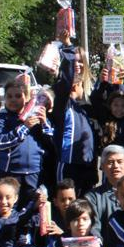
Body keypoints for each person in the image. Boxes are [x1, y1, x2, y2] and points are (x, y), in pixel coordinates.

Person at [0, 78, 53, 206]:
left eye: (18, 96)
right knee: (9, 208)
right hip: (11, 173)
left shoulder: (35, 115)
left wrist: (44, 123)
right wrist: (24, 127)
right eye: (9, 96)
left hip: (34, 173)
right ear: (5, 99)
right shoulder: (1, 118)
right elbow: (0, 142)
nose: (13, 99)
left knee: (32, 208)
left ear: (26, 98)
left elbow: (51, 143)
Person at [50, 41, 98, 194]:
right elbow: (65, 81)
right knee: (67, 205)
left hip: (89, 162)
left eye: (80, 61)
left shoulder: (93, 95)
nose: (77, 65)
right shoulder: (62, 98)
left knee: (85, 208)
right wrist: (67, 47)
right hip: (68, 161)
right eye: (73, 61)